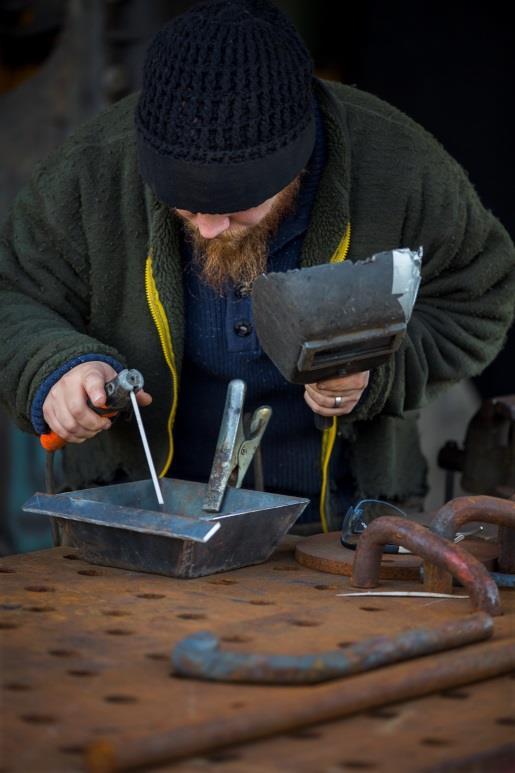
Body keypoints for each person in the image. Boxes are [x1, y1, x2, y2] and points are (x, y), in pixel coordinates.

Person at [1, 0, 514, 534]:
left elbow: (480, 296)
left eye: (234, 208)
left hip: (344, 527)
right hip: (134, 527)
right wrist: (54, 368)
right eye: (186, 207)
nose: (207, 229)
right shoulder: (92, 168)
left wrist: (378, 371)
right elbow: (13, 292)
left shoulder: (399, 165)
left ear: (297, 164)